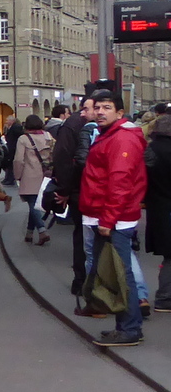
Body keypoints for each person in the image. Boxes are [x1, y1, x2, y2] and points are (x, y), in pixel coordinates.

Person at [79, 90, 147, 346]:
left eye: (106, 107)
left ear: (119, 112)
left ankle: (130, 328)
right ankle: (125, 326)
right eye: (97, 107)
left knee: (120, 274)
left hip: (115, 220)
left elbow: (120, 182)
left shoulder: (122, 139)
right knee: (113, 273)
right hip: (107, 216)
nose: (99, 112)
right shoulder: (112, 135)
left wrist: (108, 219)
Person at [52, 95, 95, 295]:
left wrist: (65, 190)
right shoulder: (122, 130)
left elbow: (64, 157)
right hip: (89, 193)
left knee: (84, 238)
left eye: (86, 109)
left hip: (85, 192)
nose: (82, 113)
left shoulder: (74, 126)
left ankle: (84, 283)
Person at [144, 114, 171, 313]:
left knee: (169, 255)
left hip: (158, 208)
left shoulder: (150, 149)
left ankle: (164, 297)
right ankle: (164, 298)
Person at [13, 114, 53, 245]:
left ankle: (42, 231)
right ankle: (29, 233)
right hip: (46, 175)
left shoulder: (23, 139)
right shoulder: (48, 136)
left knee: (33, 204)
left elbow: (19, 160)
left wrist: (17, 175)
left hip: (29, 175)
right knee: (35, 204)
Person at [2, 115, 23, 185]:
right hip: (11, 147)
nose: (6, 121)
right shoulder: (12, 127)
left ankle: (10, 179)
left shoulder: (16, 127)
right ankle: (8, 178)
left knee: (11, 164)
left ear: (12, 121)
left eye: (8, 120)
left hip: (13, 148)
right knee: (9, 164)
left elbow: (19, 136)